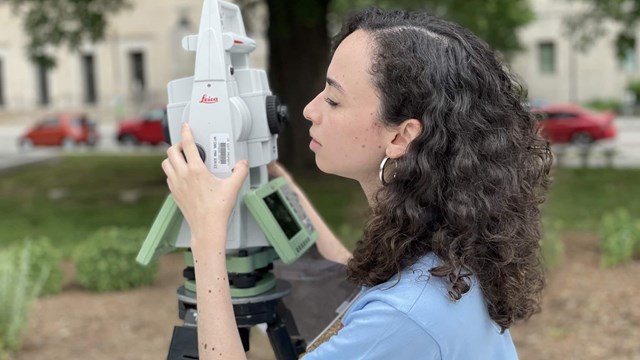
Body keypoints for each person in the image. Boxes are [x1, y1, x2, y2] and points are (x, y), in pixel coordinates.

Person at [162, 7, 552, 360]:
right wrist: (271, 173)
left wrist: (207, 234)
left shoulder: (403, 318)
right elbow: (356, 288)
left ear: (401, 137)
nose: (309, 109)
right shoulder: (445, 253)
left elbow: (389, 312)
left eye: (333, 99)